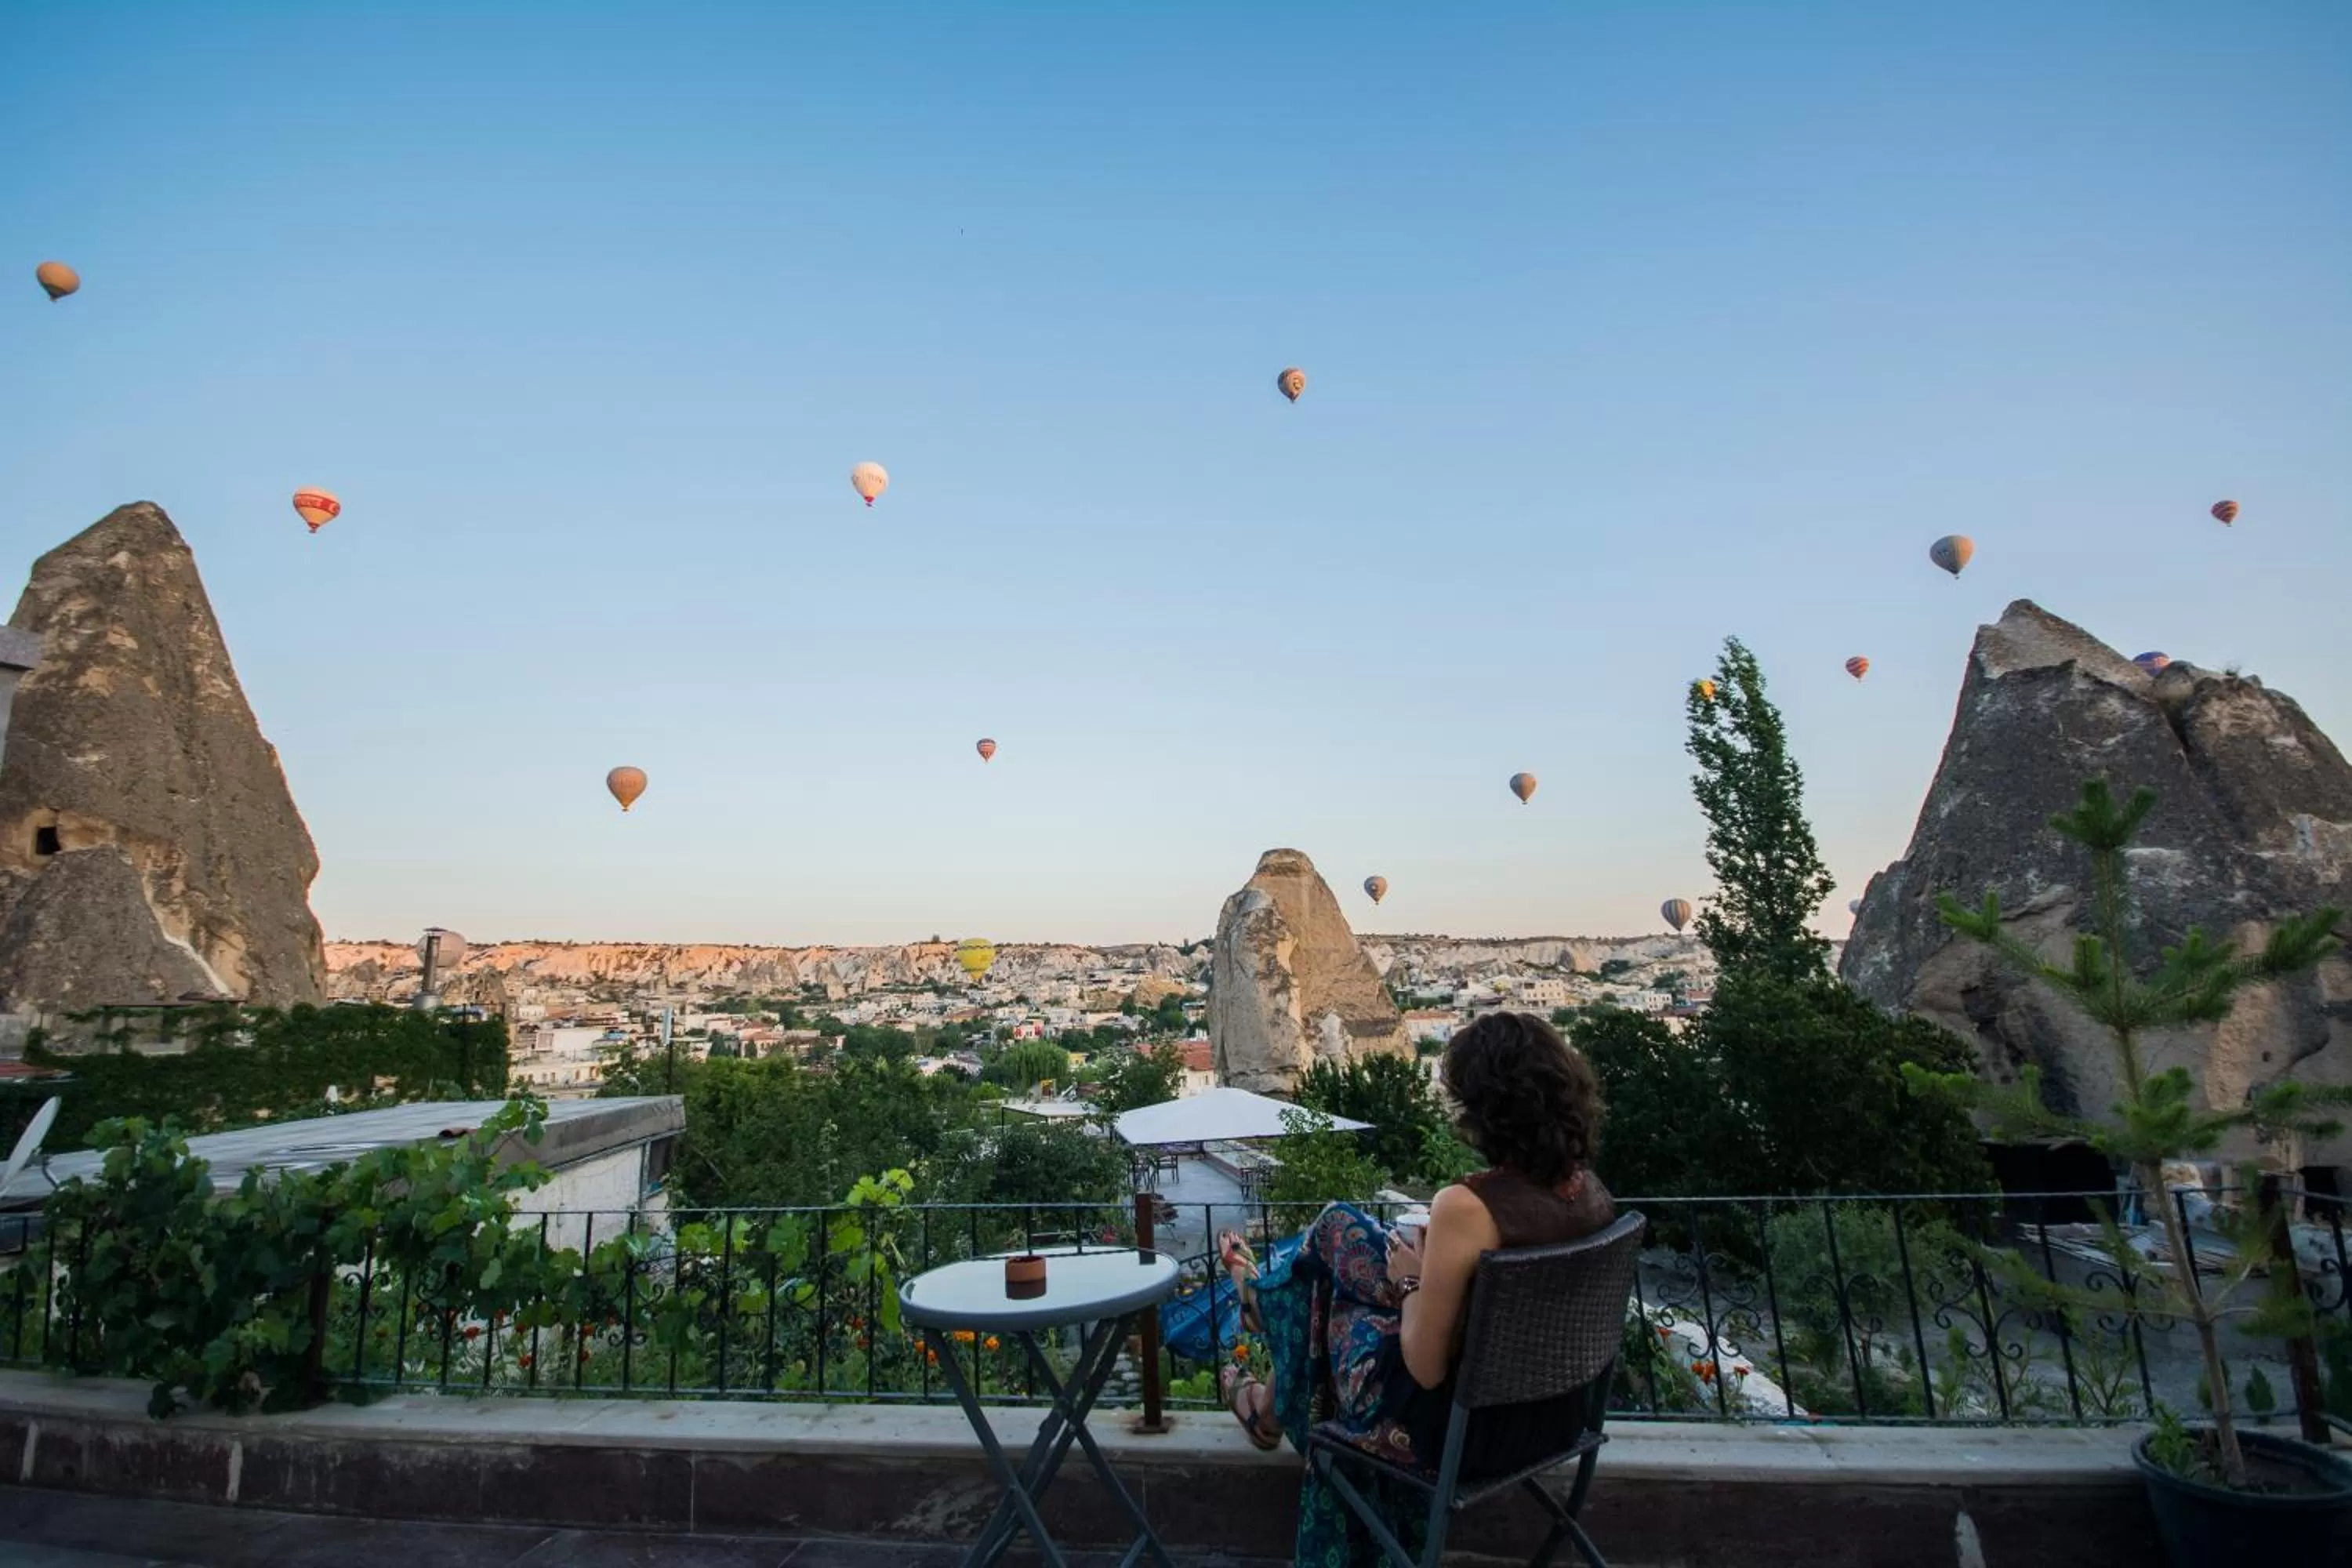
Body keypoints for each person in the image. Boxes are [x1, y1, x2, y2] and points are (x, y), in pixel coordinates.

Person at [1192, 1011, 1616, 1566]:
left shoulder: (1467, 1208)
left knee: (1331, 1304)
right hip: (1559, 1419)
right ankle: (1260, 1336)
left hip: (1460, 1434)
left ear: (1484, 1110)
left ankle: (1260, 1346)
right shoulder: (1589, 1192)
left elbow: (1425, 1367)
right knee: (1340, 1225)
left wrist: (1412, 1277)